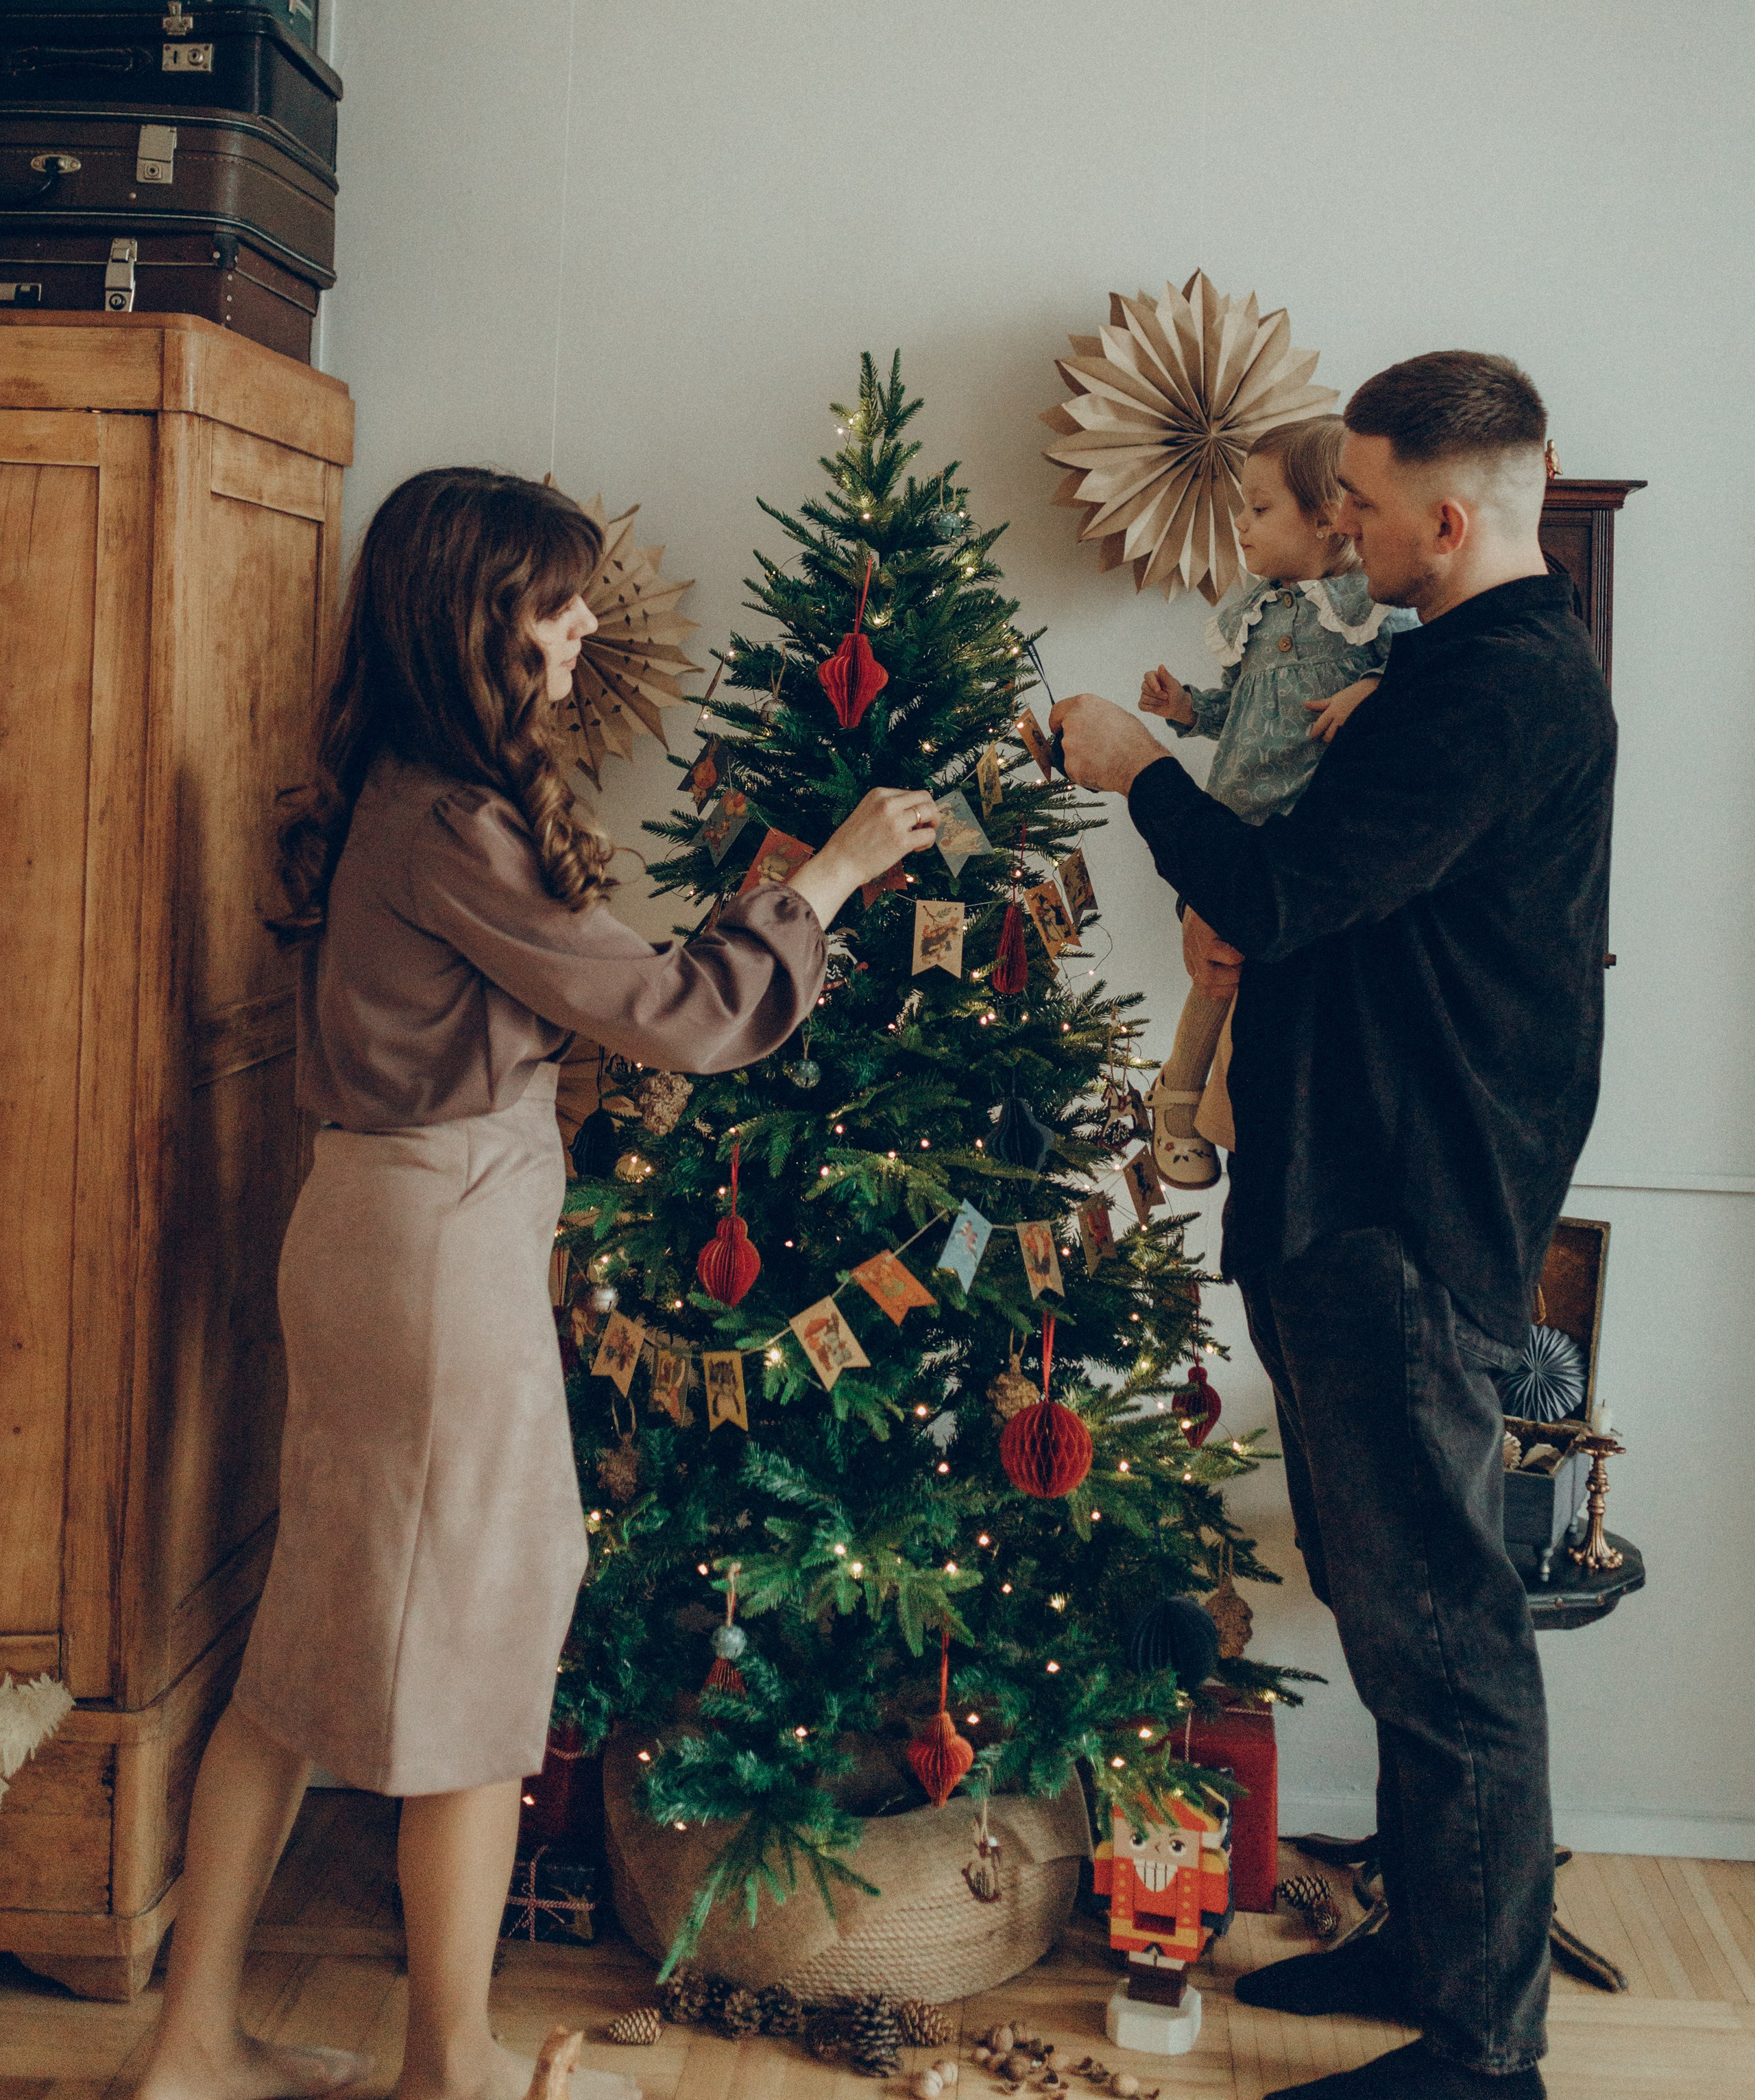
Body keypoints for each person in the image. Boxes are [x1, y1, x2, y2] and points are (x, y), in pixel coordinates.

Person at [136, 468, 939, 2100]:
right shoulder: (454, 820)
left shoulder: (398, 789)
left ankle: (193, 2044)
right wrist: (830, 878)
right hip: (436, 1249)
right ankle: (448, 2064)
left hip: (378, 1229)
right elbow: (673, 1011)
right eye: (555, 604)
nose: (581, 630)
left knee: (305, 1648)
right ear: (476, 620)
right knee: (484, 1641)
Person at [1051, 353, 1616, 2100]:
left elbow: (1279, 889)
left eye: (1360, 503)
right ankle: (1427, 1947)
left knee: (1442, 1634)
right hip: (1347, 1193)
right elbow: (1336, 905)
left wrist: (1138, 769)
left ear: (1445, 519)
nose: (1339, 528)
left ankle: (1484, 2055)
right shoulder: (1438, 671)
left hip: (1401, 1210)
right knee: (1390, 1615)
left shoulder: (1490, 692)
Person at [1137, 415, 1416, 1185]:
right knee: (1216, 958)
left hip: (1302, 830)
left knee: (1251, 968)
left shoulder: (1371, 607)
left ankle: (1192, 1098)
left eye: (1259, 509)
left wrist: (1370, 687)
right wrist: (1185, 708)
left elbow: (1423, 680)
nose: (1241, 525)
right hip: (1234, 813)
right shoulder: (1252, 613)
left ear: (1328, 519)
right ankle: (1180, 1089)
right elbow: (1234, 709)